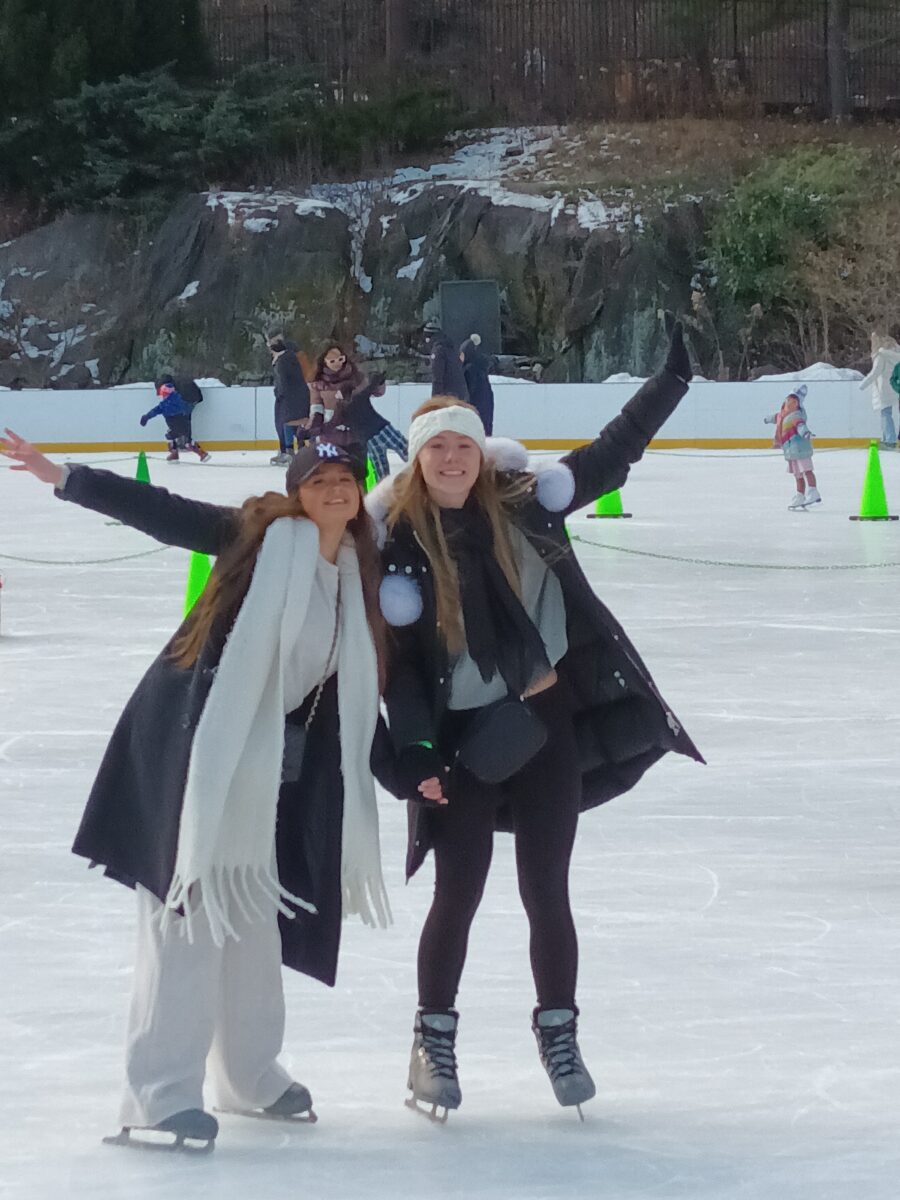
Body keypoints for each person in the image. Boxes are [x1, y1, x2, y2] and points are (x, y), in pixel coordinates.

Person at [0, 429, 393, 1151]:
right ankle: (157, 1092)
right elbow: (162, 509)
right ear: (297, 489)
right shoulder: (256, 538)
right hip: (193, 749)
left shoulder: (357, 567)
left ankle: (249, 1074)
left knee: (248, 912)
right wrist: (62, 476)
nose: (334, 489)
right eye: (318, 478)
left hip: (270, 764)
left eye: (346, 478)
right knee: (183, 916)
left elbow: (351, 690)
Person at [365, 325, 703, 1121]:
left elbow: (612, 452)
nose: (452, 460)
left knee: (548, 888)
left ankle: (560, 1034)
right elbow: (404, 672)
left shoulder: (526, 507)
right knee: (459, 892)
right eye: (437, 449)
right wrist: (416, 752)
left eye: (464, 447)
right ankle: (433, 1041)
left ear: (483, 455)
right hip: (461, 741)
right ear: (418, 460)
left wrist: (672, 382)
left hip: (546, 722)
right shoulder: (402, 553)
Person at [333, 373, 409, 482]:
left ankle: (384, 492)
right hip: (382, 430)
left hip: (369, 439)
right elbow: (371, 386)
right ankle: (421, 470)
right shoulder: (359, 397)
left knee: (381, 469)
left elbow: (334, 423)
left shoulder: (342, 410)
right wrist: (379, 377)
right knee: (406, 450)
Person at [764, 384, 821, 509]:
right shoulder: (781, 415)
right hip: (790, 451)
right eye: (788, 400)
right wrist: (767, 419)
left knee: (807, 470)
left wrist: (805, 432)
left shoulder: (796, 415)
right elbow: (774, 417)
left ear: (797, 403)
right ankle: (800, 495)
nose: (789, 402)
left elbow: (800, 425)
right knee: (797, 475)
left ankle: (813, 491)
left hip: (800, 448)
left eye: (793, 401)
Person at [142, 380, 210, 462]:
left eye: (163, 394)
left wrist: (146, 417)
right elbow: (187, 408)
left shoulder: (166, 404)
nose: (162, 396)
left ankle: (177, 453)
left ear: (166, 394)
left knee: (174, 438)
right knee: (185, 441)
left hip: (177, 425)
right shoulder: (178, 400)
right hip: (183, 424)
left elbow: (155, 410)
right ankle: (200, 453)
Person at [269, 334, 311, 465]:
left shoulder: (283, 361)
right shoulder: (292, 357)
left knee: (287, 422)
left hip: (289, 397)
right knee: (295, 422)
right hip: (299, 395)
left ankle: (289, 452)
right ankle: (299, 450)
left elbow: (283, 382)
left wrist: (279, 393)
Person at [308, 345, 365, 437]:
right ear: (324, 362)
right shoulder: (318, 384)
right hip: (331, 432)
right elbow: (316, 408)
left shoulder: (356, 377)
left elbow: (373, 393)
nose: (337, 363)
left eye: (340, 359)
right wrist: (315, 426)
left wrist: (378, 383)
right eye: (332, 361)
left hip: (356, 428)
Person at [859, 332, 900, 449]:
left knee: (885, 414)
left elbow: (875, 372)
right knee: (888, 413)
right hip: (896, 386)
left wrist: (862, 385)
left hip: (884, 388)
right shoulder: (897, 353)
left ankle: (889, 440)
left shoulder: (881, 355)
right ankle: (886, 438)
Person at [423, 319, 468, 402]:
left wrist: (435, 400)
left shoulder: (438, 351)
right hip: (459, 393)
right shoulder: (450, 348)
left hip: (447, 396)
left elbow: (437, 377)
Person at [459, 333, 495, 435]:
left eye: (462, 354)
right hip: (485, 403)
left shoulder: (470, 369)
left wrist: (465, 403)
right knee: (485, 428)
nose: (460, 357)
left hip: (476, 405)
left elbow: (470, 389)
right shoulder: (479, 366)